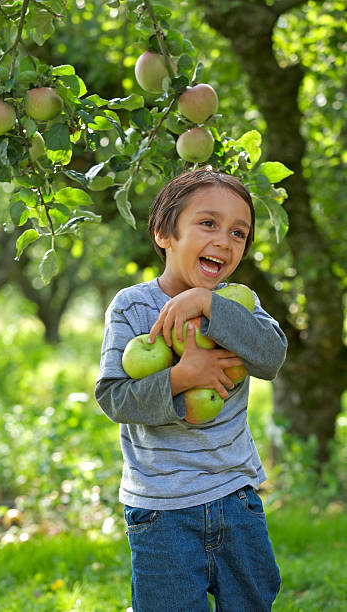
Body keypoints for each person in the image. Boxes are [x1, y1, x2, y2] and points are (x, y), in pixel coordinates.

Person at [95, 167, 287, 612]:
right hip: (161, 510)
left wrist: (207, 303)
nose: (224, 240)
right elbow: (114, 397)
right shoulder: (133, 307)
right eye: (208, 223)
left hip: (235, 496)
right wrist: (183, 377)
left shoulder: (240, 303)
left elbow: (271, 356)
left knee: (252, 602)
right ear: (165, 232)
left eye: (238, 233)